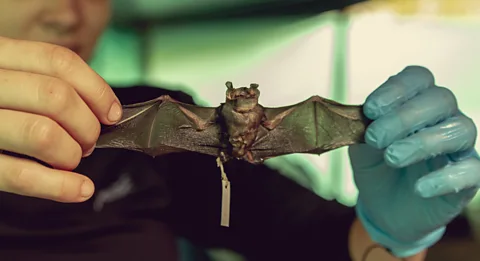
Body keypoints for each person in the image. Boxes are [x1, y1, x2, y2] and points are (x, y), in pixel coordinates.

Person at [0, 1, 478, 261]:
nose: (70, 12)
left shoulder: (155, 117)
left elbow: (315, 238)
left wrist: (391, 238)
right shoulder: (150, 123)